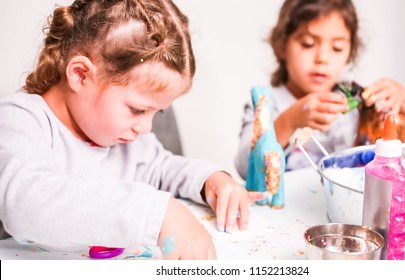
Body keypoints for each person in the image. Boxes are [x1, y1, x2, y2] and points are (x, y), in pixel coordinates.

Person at [0, 0, 262, 260]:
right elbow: (25, 204)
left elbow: (163, 167)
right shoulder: (21, 121)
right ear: (80, 74)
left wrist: (211, 181)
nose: (146, 127)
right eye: (137, 110)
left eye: (156, 113)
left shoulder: (126, 140)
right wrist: (154, 213)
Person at [235, 0, 405, 179]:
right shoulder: (265, 103)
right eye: (308, 44)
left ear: (350, 51)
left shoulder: (355, 100)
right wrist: (289, 122)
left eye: (337, 48)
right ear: (282, 46)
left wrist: (404, 102)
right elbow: (245, 168)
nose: (322, 58)